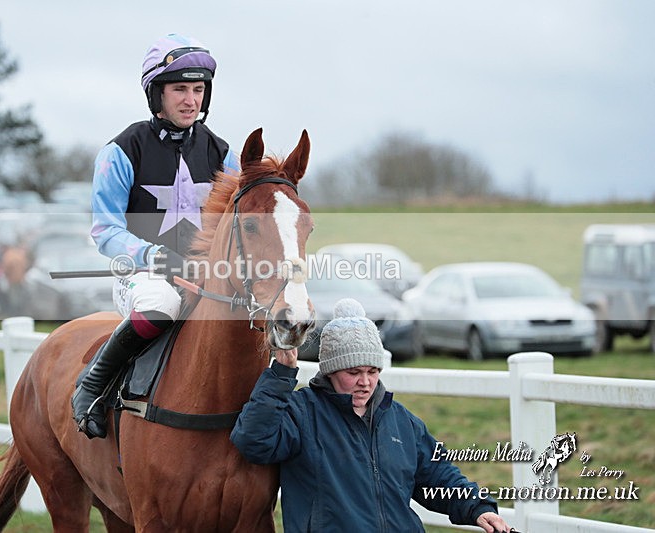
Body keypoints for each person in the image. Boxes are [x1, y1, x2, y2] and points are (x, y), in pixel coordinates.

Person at [71, 33, 240, 439]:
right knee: (162, 304)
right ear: (156, 94)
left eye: (198, 89)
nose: (190, 100)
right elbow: (106, 230)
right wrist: (159, 258)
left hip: (205, 274)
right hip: (143, 275)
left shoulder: (223, 153)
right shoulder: (121, 151)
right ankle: (92, 386)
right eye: (179, 89)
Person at [231, 298, 514, 533]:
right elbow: (253, 440)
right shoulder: (301, 412)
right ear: (330, 371)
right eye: (353, 372)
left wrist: (477, 507)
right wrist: (283, 372)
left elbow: (439, 475)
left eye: (372, 372)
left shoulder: (401, 421)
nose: (365, 382)